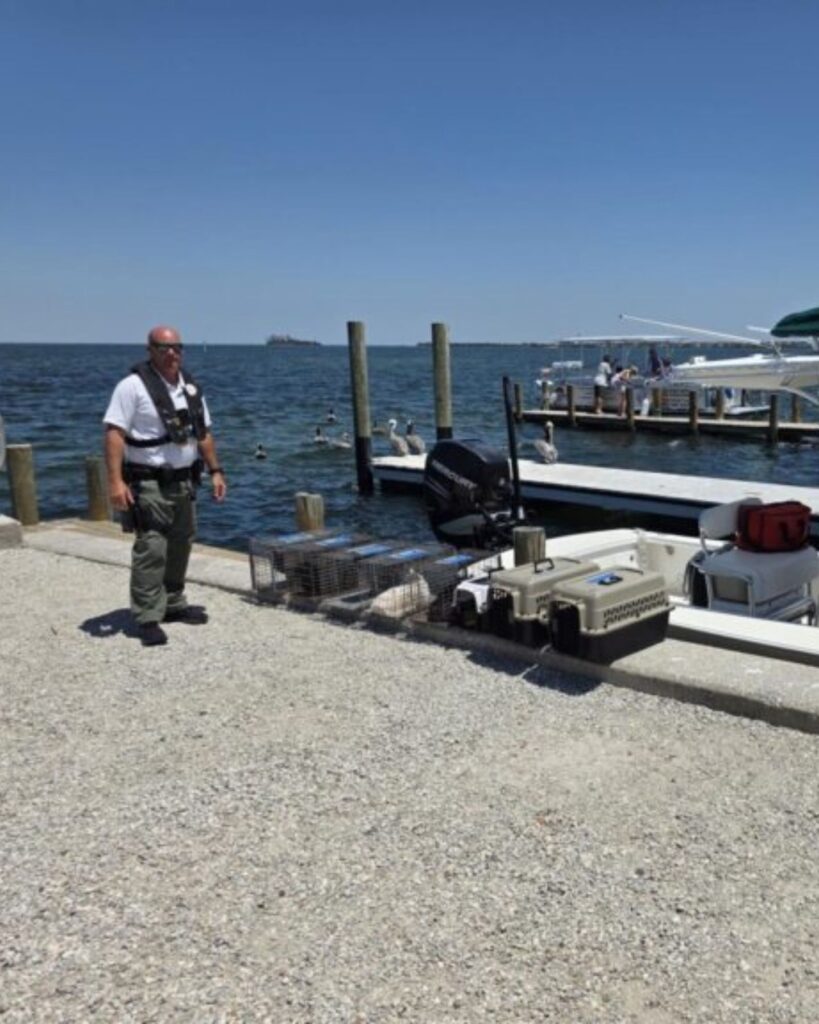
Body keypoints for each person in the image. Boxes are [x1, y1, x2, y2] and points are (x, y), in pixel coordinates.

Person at [103, 325, 227, 647]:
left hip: (185, 481)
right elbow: (114, 433)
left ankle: (173, 602)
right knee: (152, 547)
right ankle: (146, 616)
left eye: (176, 347)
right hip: (149, 482)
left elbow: (204, 433)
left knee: (181, 542)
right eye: (163, 347)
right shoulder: (132, 387)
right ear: (150, 350)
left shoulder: (190, 388)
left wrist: (216, 471)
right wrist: (116, 482)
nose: (171, 353)